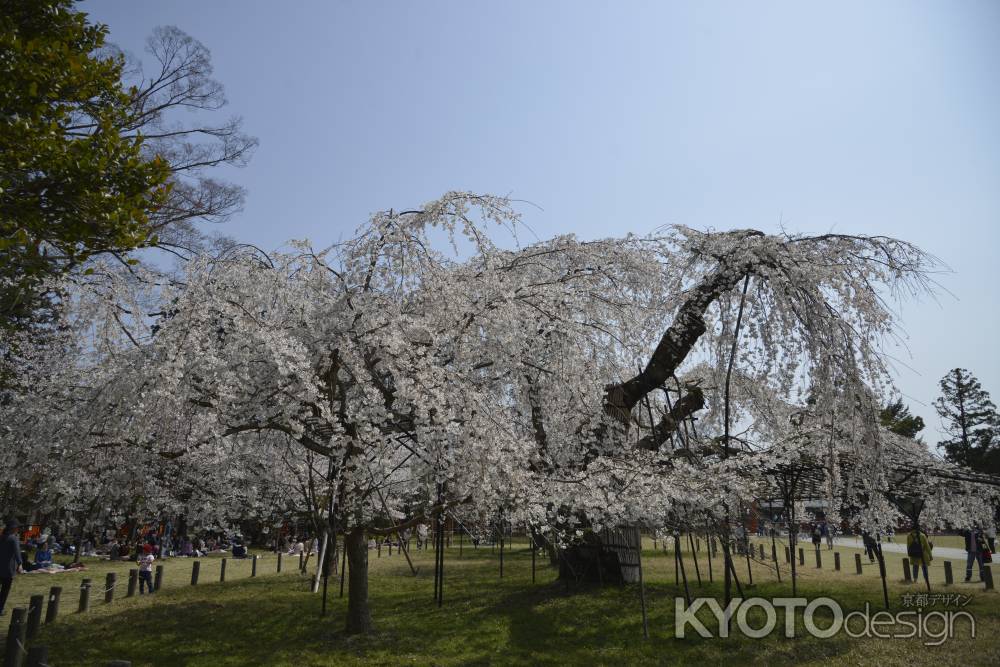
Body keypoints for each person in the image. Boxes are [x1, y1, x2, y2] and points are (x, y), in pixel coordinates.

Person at [0, 519, 24, 616]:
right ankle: (0, 609)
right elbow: (17, 552)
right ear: (14, 528)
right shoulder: (13, 538)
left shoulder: (1, 537)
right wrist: (20, 564)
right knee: (4, 591)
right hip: (8, 569)